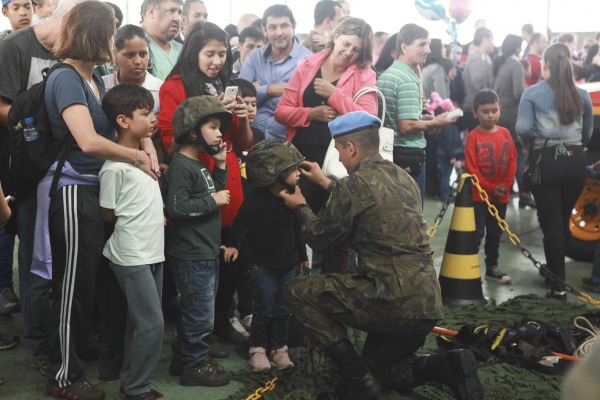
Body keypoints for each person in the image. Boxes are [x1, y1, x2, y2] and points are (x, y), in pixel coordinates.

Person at [280, 111, 483, 400]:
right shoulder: (404, 178)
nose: (338, 159)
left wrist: (301, 206)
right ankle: (444, 365)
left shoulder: (353, 185)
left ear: (351, 148)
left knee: (298, 292)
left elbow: (320, 239)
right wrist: (327, 183)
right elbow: (373, 202)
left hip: (390, 302)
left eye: (338, 150)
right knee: (380, 373)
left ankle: (355, 379)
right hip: (427, 305)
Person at [42, 3, 160, 399]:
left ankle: (83, 367)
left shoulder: (91, 80)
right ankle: (65, 377)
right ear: (94, 35)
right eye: (110, 35)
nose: (114, 43)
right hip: (74, 190)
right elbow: (89, 141)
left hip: (93, 188)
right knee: (74, 287)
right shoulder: (66, 79)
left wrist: (144, 142)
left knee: (91, 286)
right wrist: (137, 156)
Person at [0, 0, 86, 378]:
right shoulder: (17, 47)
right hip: (30, 168)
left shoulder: (74, 56)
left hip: (66, 170)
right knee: (36, 262)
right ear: (66, 18)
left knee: (61, 261)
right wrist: (50, 126)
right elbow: (3, 108)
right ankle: (37, 344)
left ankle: (59, 339)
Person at [157, 20, 252, 350]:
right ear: (193, 52)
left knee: (230, 256)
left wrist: (241, 117)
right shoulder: (175, 86)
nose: (217, 61)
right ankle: (193, 332)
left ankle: (222, 318)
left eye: (223, 54)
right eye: (209, 54)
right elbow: (169, 143)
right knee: (197, 263)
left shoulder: (227, 83)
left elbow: (242, 143)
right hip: (196, 181)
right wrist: (208, 116)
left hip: (227, 177)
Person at [275, 16, 376, 274]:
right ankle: (290, 293)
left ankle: (335, 296)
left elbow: (368, 120)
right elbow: (281, 111)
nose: (349, 53)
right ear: (335, 35)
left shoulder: (365, 74)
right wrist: (310, 114)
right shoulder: (307, 65)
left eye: (356, 50)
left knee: (337, 234)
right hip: (301, 157)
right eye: (346, 44)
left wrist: (336, 96)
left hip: (339, 162)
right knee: (291, 224)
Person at [99, 84, 165, 400]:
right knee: (151, 325)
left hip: (152, 252)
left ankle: (130, 383)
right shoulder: (114, 168)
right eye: (145, 113)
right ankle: (137, 389)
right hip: (131, 254)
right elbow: (107, 213)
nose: (153, 118)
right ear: (124, 120)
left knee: (138, 325)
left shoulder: (145, 158)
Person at [163, 95, 233, 387]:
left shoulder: (198, 163)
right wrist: (213, 199)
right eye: (213, 126)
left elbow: (212, 194)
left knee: (197, 310)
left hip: (204, 250)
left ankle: (183, 358)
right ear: (193, 131)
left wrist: (219, 166)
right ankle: (195, 366)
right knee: (199, 315)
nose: (220, 133)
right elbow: (177, 208)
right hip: (191, 255)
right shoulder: (181, 166)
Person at [516, 43, 593, 301]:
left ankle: (558, 284)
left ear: (545, 65)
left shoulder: (532, 93)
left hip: (545, 161)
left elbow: (523, 128)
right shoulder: (582, 94)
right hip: (575, 162)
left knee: (550, 223)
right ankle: (553, 272)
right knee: (562, 219)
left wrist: (532, 149)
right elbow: (587, 134)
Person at [223, 139, 308, 371]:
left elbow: (298, 227)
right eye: (291, 169)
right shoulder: (256, 198)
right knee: (262, 309)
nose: (298, 173)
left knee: (283, 310)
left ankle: (279, 349)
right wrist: (234, 246)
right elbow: (241, 223)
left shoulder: (294, 196)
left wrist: (302, 256)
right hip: (263, 266)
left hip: (287, 265)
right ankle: (257, 349)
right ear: (273, 172)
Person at [377, 24, 456, 206]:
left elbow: (400, 116)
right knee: (412, 215)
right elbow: (406, 126)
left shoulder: (389, 74)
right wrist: (435, 122)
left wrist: (424, 119)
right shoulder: (407, 79)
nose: (427, 50)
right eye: (421, 45)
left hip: (390, 154)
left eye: (428, 44)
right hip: (408, 157)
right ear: (404, 47)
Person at [239, 4, 312, 140]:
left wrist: (256, 90)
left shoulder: (309, 60)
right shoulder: (254, 58)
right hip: (251, 136)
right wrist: (270, 90)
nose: (279, 33)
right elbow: (241, 97)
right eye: (272, 27)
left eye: (284, 26)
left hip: (290, 140)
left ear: (294, 27)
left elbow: (304, 103)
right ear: (264, 30)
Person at [465, 89, 516, 284]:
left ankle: (492, 268)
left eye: (494, 110)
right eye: (485, 111)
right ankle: (468, 269)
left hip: (501, 196)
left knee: (495, 233)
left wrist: (505, 185)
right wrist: (489, 188)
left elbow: (512, 160)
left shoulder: (505, 133)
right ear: (475, 113)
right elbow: (472, 168)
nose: (490, 115)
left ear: (500, 109)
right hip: (479, 196)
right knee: (477, 233)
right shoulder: (473, 137)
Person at [491, 34, 531, 208]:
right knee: (520, 155)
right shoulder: (516, 65)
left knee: (503, 156)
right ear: (517, 48)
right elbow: (518, 93)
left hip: (501, 115)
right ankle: (524, 193)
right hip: (514, 117)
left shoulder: (501, 64)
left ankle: (500, 189)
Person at [140, 0, 183, 80]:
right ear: (151, 12)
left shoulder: (183, 50)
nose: (178, 18)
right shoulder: (129, 46)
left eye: (179, 13)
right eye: (171, 11)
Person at [463, 27, 495, 132]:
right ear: (484, 40)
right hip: (477, 109)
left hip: (479, 107)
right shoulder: (478, 58)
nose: (493, 44)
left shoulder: (482, 56)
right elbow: (479, 84)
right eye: (491, 40)